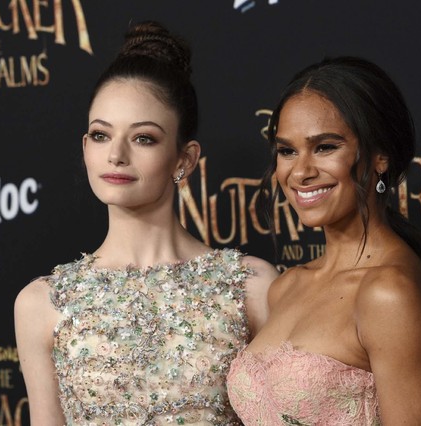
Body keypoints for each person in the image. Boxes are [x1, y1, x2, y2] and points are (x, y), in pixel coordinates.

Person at [14, 20, 278, 425]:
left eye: (144, 138)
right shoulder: (41, 304)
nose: (116, 154)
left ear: (184, 159)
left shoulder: (251, 288)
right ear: (85, 148)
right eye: (101, 135)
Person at [226, 56, 421, 425]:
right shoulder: (286, 287)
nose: (301, 172)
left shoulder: (388, 293)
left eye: (325, 147)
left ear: (380, 157)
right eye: (287, 150)